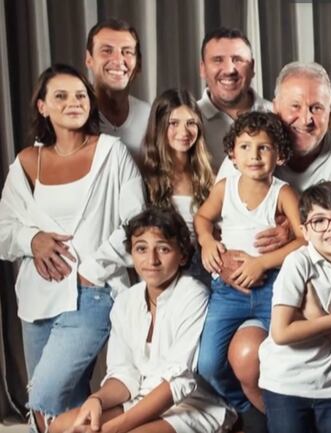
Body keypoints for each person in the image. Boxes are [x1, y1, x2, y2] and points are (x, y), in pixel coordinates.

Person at [220, 62, 331, 432]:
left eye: (317, 108)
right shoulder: (251, 146)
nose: (305, 119)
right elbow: (220, 222)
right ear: (273, 105)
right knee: (245, 357)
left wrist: (300, 235)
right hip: (266, 285)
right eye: (294, 106)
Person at [0, 64, 144, 432]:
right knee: (70, 404)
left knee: (44, 397)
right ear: (42, 106)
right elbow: (4, 230)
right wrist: (32, 240)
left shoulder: (112, 153)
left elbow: (136, 224)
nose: (73, 102)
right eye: (60, 96)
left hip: (92, 294)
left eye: (80, 95)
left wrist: (91, 271)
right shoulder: (27, 162)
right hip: (37, 300)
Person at [49, 207, 235, 433]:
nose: (152, 260)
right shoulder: (125, 301)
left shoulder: (193, 294)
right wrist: (96, 400)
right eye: (141, 249)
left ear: (183, 255)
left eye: (163, 249)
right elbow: (124, 375)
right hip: (139, 399)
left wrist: (112, 429)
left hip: (190, 405)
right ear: (131, 254)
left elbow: (179, 383)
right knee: (61, 426)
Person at [194, 111, 305, 424]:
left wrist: (263, 262)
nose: (253, 155)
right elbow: (202, 218)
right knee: (209, 365)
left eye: (264, 148)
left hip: (274, 288)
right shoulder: (224, 188)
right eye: (244, 147)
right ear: (231, 153)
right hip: (228, 293)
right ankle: (245, 411)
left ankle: (287, 417)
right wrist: (206, 241)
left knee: (281, 360)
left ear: (280, 154)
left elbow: (305, 238)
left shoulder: (282, 193)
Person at [260, 182, 331, 433]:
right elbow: (281, 333)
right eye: (319, 221)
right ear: (305, 231)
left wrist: (315, 316)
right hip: (285, 382)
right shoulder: (297, 263)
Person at [141, 88, 215, 283]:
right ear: (159, 126)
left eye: (191, 123)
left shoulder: (206, 176)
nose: (184, 132)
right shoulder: (145, 177)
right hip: (163, 268)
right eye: (173, 123)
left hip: (203, 265)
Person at [198, 27, 272, 169]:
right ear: (203, 68)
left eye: (238, 60)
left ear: (252, 67)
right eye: (218, 60)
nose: (229, 70)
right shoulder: (188, 122)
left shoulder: (277, 115)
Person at [85, 19, 151, 163]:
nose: (118, 60)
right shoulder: (74, 116)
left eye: (127, 52)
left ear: (138, 64)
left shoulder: (150, 117)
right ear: (89, 59)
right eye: (107, 51)